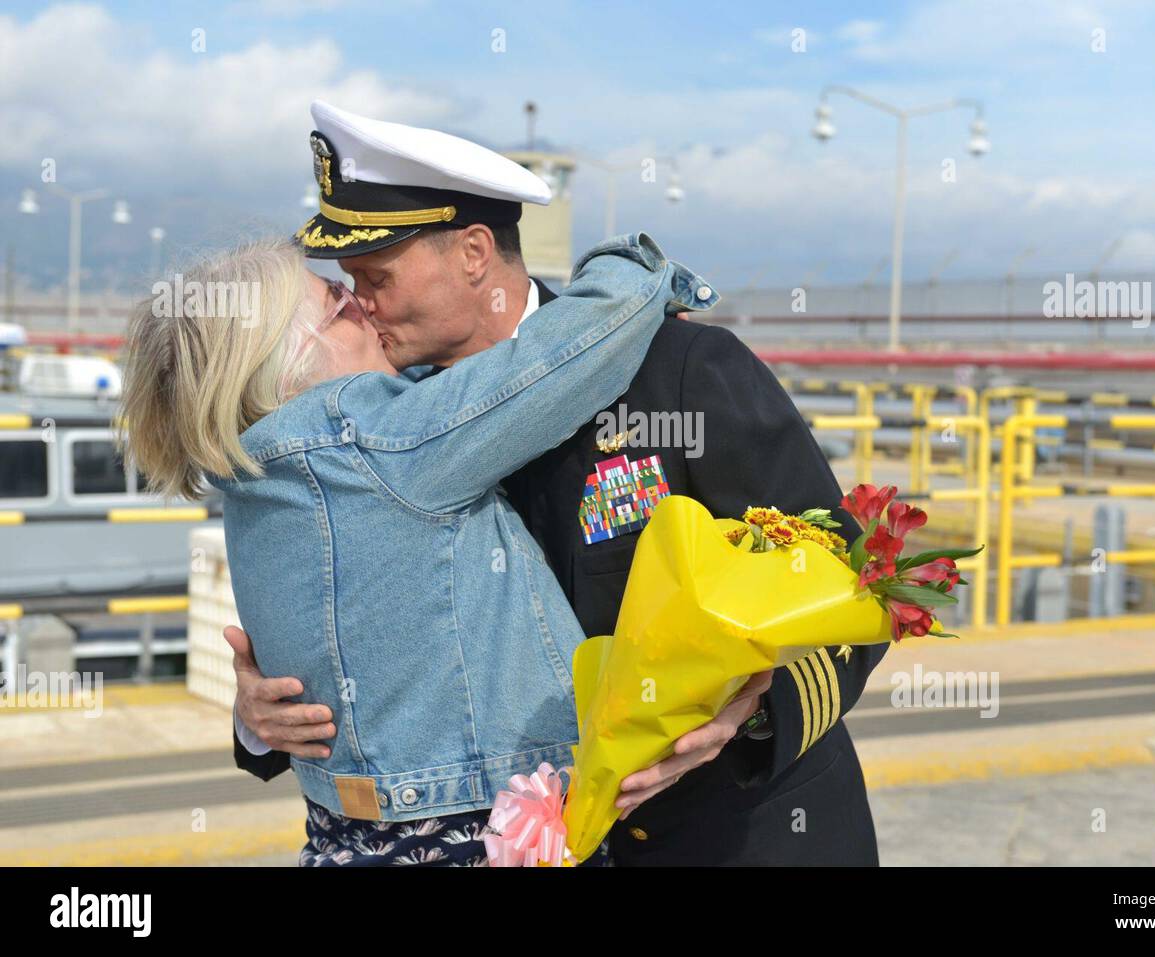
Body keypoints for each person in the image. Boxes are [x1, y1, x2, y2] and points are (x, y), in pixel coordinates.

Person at [231, 101, 890, 866]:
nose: (361, 303)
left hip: (747, 836)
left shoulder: (677, 373)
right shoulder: (384, 432)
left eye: (376, 276)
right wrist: (258, 716)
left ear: (474, 252)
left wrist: (754, 711)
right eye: (346, 283)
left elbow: (851, 578)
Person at [121, 221, 712, 865]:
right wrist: (633, 263)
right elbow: (573, 351)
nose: (363, 304)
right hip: (475, 837)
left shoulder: (251, 477)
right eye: (338, 303)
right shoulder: (370, 437)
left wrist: (251, 723)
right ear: (282, 362)